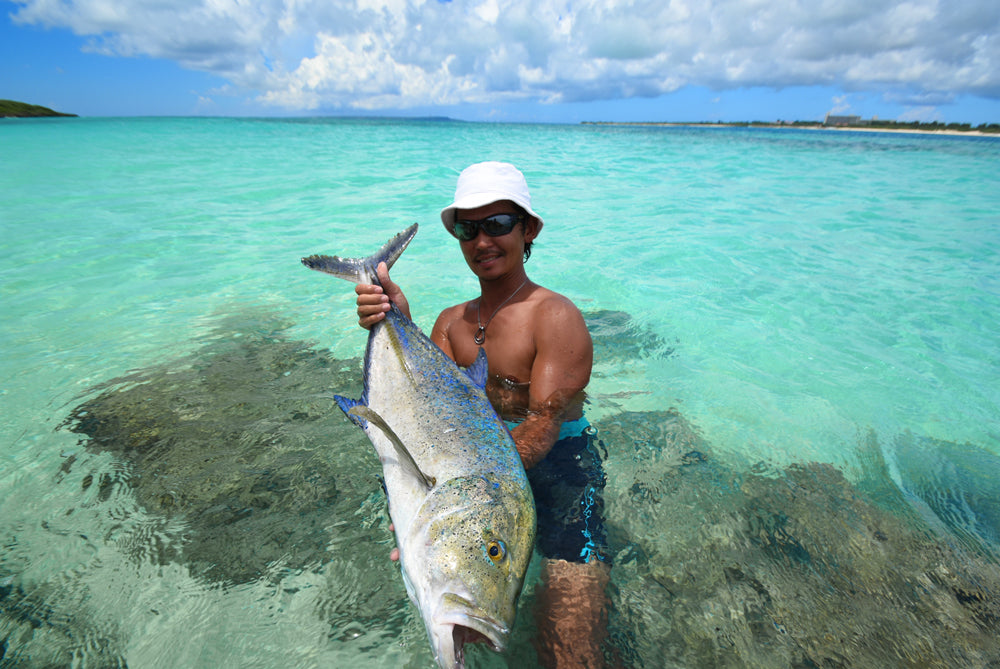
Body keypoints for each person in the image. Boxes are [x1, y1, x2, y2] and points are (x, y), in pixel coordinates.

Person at [355, 161, 612, 668]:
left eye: (497, 224)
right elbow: (427, 416)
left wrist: (461, 495)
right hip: (475, 480)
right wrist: (396, 320)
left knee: (569, 646)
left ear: (528, 229)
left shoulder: (554, 316)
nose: (482, 241)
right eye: (467, 229)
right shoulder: (450, 324)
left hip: (561, 473)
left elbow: (544, 422)